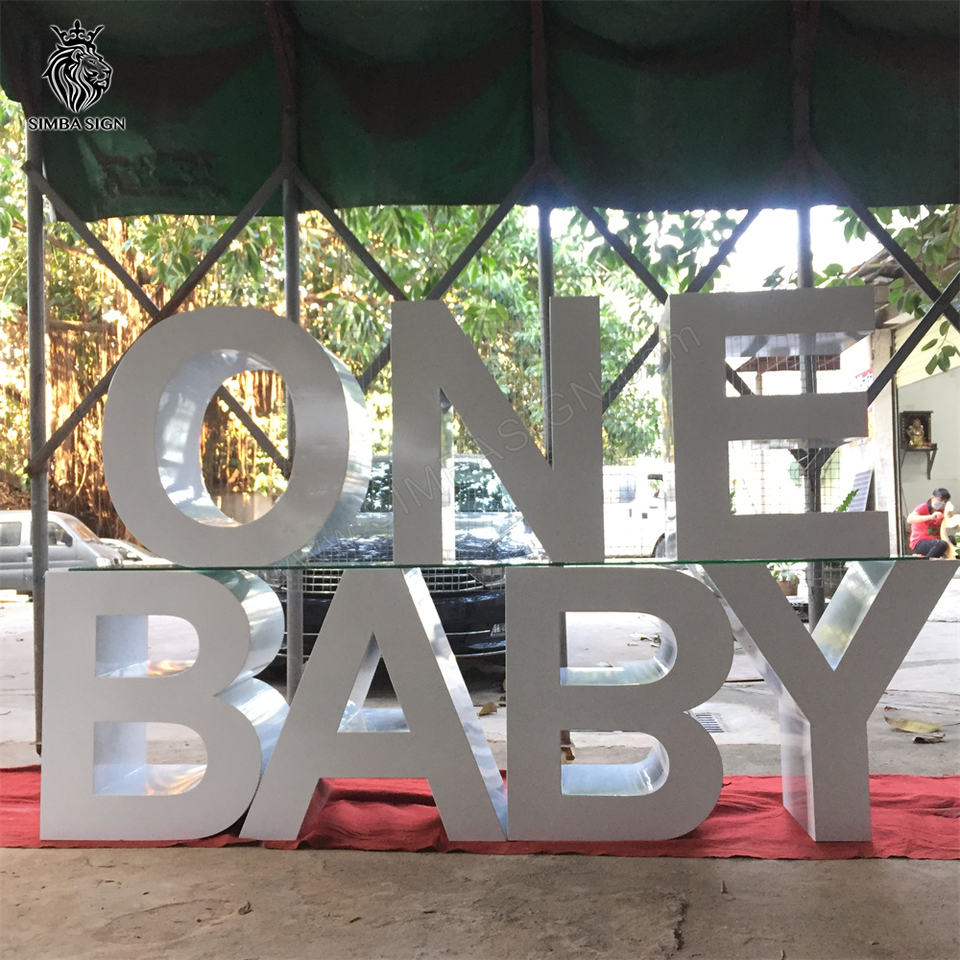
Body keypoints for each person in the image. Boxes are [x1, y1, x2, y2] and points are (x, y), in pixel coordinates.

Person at [907, 487, 953, 558]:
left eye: (945, 501)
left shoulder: (943, 511)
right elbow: (910, 519)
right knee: (941, 544)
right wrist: (931, 517)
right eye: (941, 500)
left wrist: (950, 516)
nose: (942, 503)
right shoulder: (923, 507)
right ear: (932, 497)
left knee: (955, 540)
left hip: (936, 540)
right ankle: (926, 562)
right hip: (919, 542)